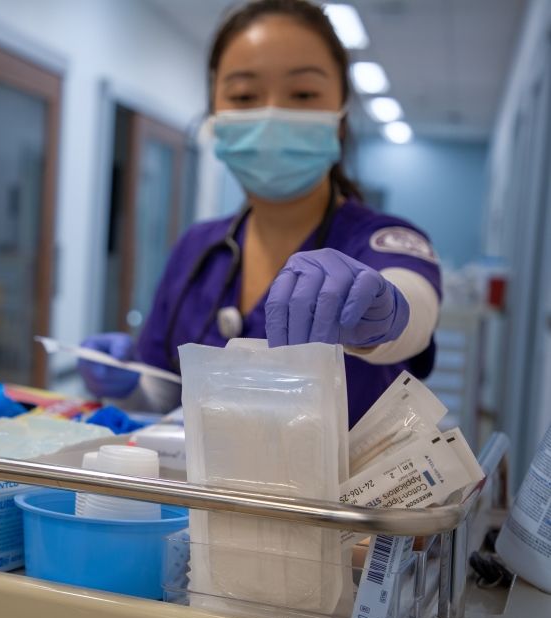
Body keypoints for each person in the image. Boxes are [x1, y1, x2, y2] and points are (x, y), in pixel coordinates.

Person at [79, 0, 440, 427]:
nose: (271, 113)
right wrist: (127, 384)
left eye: (304, 94)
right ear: (216, 115)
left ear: (340, 117)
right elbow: (168, 395)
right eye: (244, 96)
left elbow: (414, 304)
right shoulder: (198, 248)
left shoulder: (381, 240)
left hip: (336, 495)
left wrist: (383, 315)